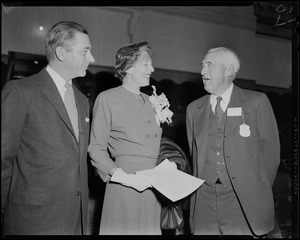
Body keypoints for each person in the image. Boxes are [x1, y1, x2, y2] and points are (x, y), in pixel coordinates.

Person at [1, 21, 95, 235]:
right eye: (85, 51)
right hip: (31, 221)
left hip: (75, 220)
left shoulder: (82, 100)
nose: (92, 59)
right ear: (61, 52)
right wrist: (15, 206)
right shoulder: (21, 92)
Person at [186, 47, 280, 237]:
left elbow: (270, 156)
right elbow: (194, 154)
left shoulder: (257, 102)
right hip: (204, 204)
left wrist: (254, 189)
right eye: (202, 65)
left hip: (243, 203)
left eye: (209, 65)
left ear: (229, 71)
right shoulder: (193, 109)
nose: (203, 71)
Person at [88, 41, 163, 235]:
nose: (152, 69)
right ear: (128, 67)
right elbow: (96, 149)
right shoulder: (107, 99)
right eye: (146, 64)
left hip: (152, 184)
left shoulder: (151, 101)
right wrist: (122, 177)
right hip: (124, 182)